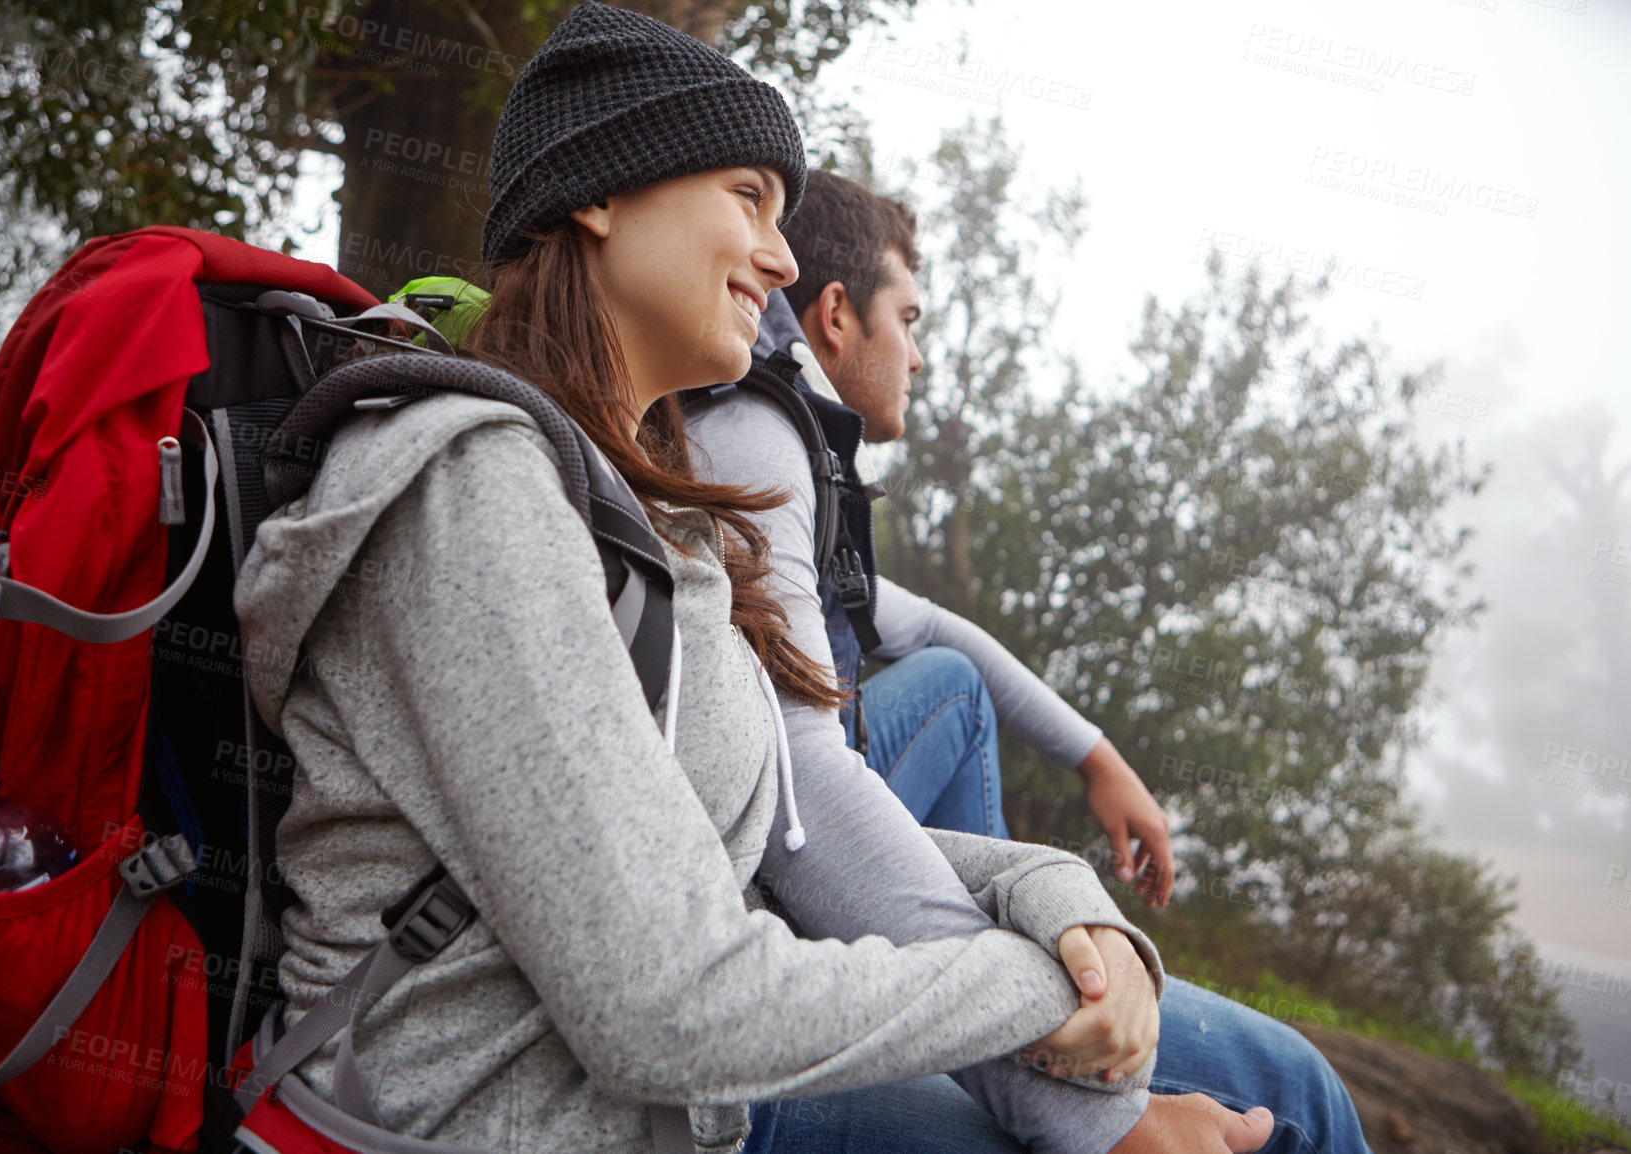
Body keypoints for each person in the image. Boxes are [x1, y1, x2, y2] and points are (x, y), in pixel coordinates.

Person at [234, 5, 1285, 1154]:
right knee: (1281, 1106)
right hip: (497, 1120)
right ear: (598, 193)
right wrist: (1046, 993)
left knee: (1283, 1088)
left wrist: (1056, 896)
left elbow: (759, 829)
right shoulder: (474, 494)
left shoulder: (640, 511)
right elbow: (667, 1008)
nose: (784, 262)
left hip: (670, 1107)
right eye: (749, 197)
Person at [684, 170, 1374, 1154]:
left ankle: (1018, 994)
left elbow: (922, 632)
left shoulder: (786, 453)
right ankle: (1017, 1022)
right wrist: (1058, 1079)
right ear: (835, 316)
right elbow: (797, 791)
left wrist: (1095, 763)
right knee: (1294, 1094)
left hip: (790, 890)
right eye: (909, 320)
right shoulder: (756, 433)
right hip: (766, 966)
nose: (918, 356)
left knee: (952, 683)